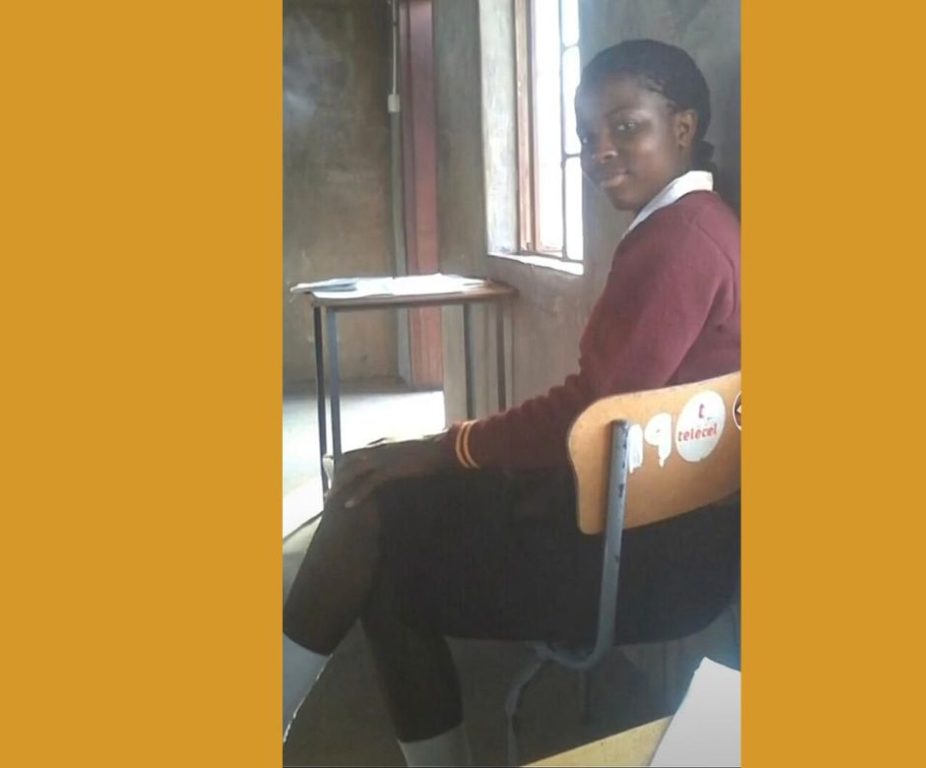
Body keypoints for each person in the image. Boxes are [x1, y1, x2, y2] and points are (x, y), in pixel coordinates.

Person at [283, 39, 740, 765]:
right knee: (378, 511)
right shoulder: (696, 223)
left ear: (682, 127)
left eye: (627, 126)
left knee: (374, 528)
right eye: (588, 135)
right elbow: (605, 414)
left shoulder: (681, 237)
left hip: (648, 562)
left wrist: (449, 446)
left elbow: (592, 410)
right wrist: (454, 455)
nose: (601, 151)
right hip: (648, 532)